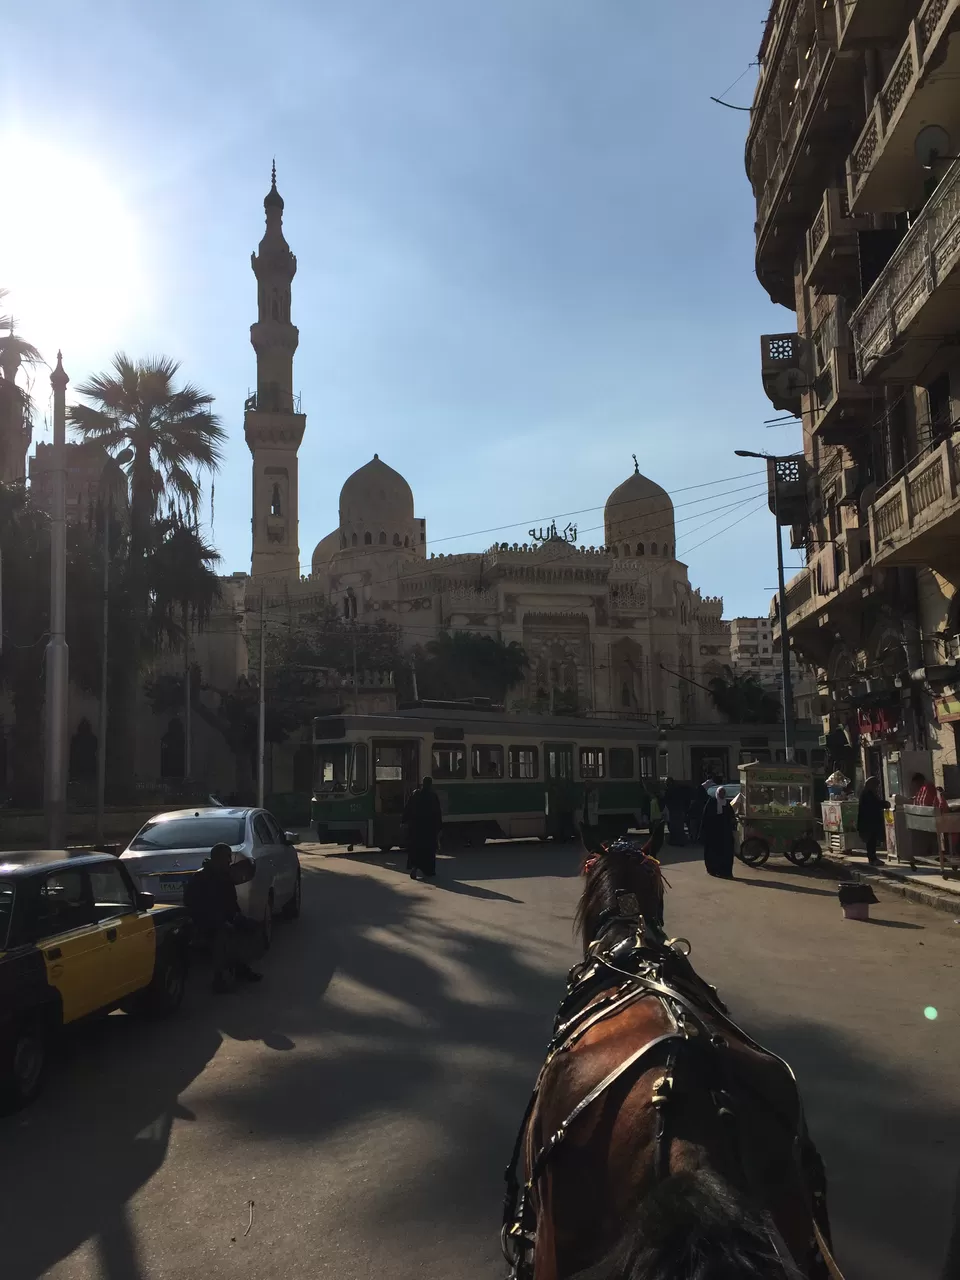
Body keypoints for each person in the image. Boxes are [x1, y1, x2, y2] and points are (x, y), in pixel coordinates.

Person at [184, 843, 262, 992]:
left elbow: (231, 902)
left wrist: (237, 917)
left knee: (251, 927)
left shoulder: (225, 877)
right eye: (226, 857)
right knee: (223, 935)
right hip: (205, 922)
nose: (229, 861)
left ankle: (242, 967)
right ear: (217, 859)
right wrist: (219, 921)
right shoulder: (201, 878)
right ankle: (218, 978)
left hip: (225, 917)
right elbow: (193, 904)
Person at [403, 776, 443, 880]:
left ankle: (415, 868)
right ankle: (429, 871)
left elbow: (408, 808)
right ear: (430, 785)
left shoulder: (415, 794)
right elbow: (437, 813)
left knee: (416, 850)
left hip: (416, 828)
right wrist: (439, 827)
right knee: (428, 851)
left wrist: (403, 821)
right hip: (428, 829)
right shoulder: (433, 796)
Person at [700, 785, 737, 879]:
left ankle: (726, 872)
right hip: (713, 833)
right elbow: (705, 817)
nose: (722, 794)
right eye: (720, 793)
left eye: (723, 793)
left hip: (725, 833)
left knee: (726, 852)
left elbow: (731, 817)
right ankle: (713, 869)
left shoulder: (727, 804)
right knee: (713, 852)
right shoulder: (712, 802)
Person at [856, 776, 886, 867]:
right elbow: (873, 805)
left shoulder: (869, 793)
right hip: (868, 822)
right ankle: (872, 858)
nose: (876, 788)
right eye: (875, 786)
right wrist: (884, 804)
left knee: (872, 841)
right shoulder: (867, 794)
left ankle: (873, 858)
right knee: (871, 841)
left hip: (870, 822)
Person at [663, 777, 687, 847]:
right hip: (679, 809)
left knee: (674, 827)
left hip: (673, 810)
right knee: (679, 826)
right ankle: (681, 841)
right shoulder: (678, 790)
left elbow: (666, 800)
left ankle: (674, 841)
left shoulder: (668, 791)